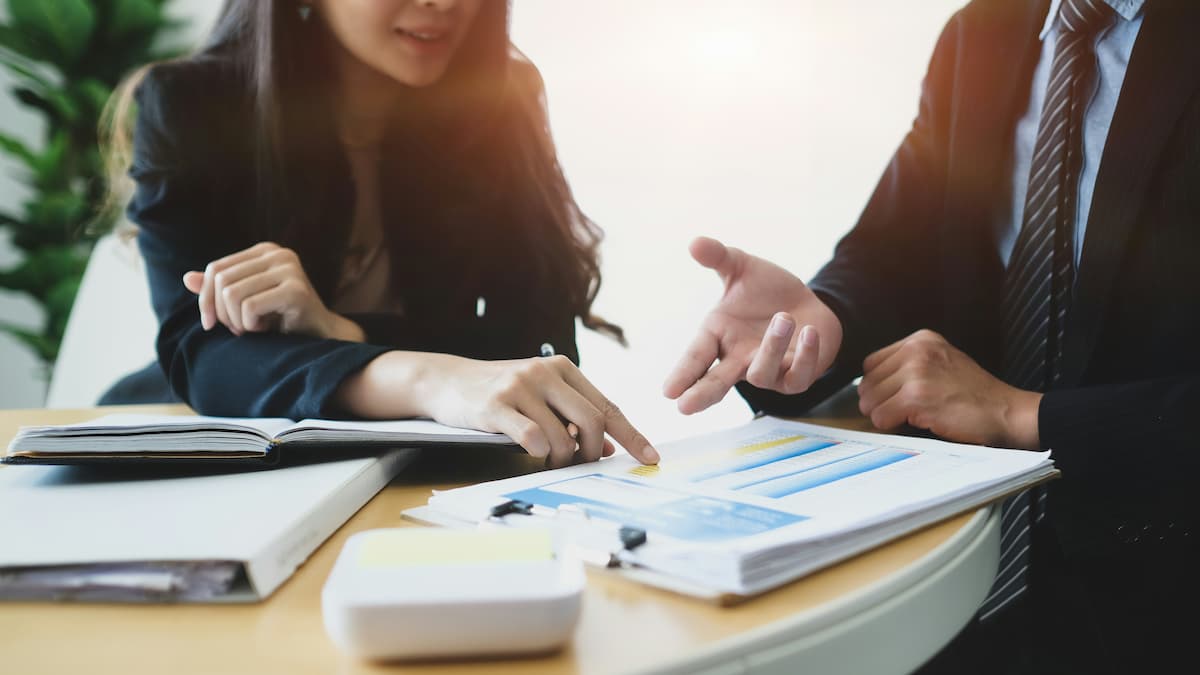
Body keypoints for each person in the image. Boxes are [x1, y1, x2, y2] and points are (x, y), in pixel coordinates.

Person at [665, 0, 1199, 672]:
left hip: (1162, 589)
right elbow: (899, 243)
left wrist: (1021, 413)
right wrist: (824, 317)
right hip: (962, 572)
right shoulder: (980, 32)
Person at [103, 0, 658, 469]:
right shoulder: (192, 105)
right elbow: (204, 355)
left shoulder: (497, 101)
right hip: (213, 463)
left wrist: (340, 330)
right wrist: (426, 377)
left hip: (417, 472)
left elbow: (539, 350)